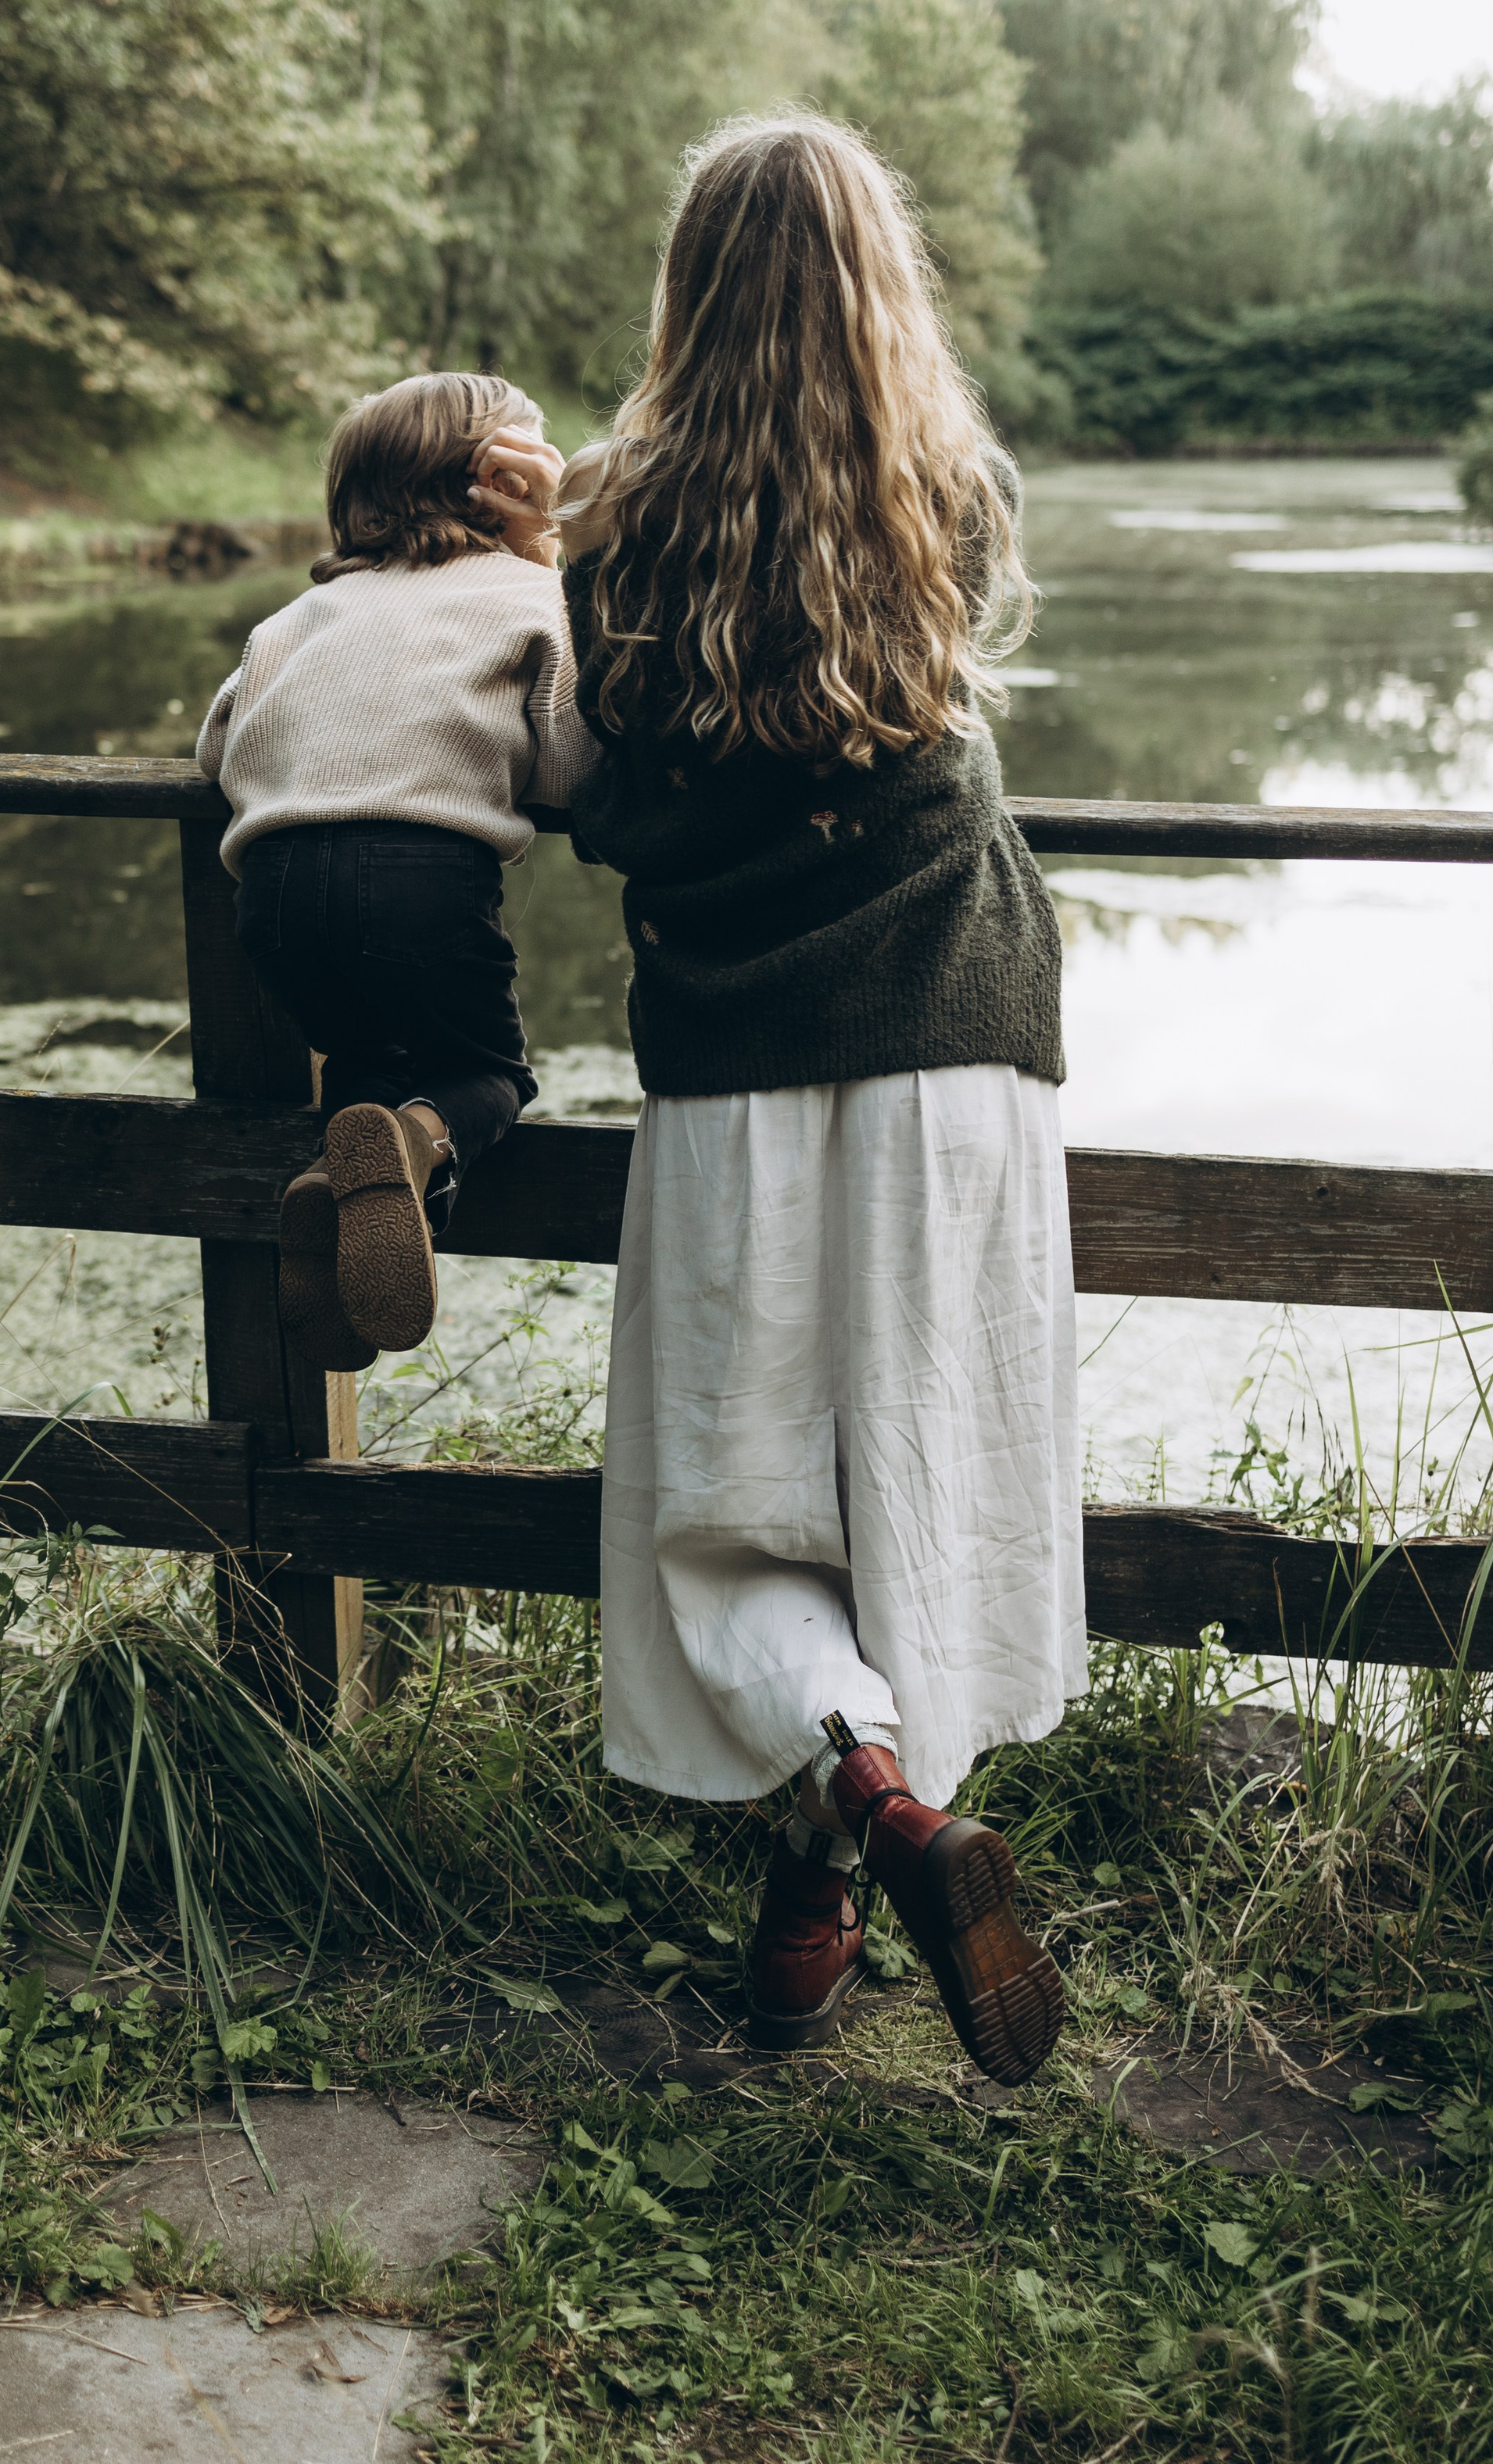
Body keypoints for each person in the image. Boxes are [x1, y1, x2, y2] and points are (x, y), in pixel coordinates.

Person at [487, 113, 1083, 2087]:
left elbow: (575, 788)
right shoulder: (947, 493)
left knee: (727, 1525)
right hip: (954, 1042)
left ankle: (854, 1838)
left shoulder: (608, 521)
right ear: (878, 286)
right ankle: (871, 1852)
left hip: (739, 1072)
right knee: (918, 1479)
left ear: (685, 287)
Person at [195, 372, 594, 1370]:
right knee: (485, 1077)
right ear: (496, 486)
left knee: (365, 1077)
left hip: (275, 891)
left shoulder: (299, 616)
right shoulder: (533, 594)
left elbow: (216, 745)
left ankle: (338, 1209)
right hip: (421, 874)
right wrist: (556, 551)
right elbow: (573, 766)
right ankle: (412, 1149)